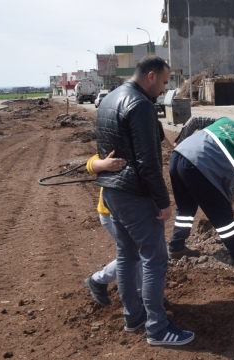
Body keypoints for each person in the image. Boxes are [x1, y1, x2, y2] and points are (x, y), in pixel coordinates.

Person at [95, 55, 194, 346]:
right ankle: (158, 328)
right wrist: (163, 201)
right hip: (135, 195)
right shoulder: (140, 105)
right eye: (163, 82)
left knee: (127, 255)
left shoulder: (110, 99)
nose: (164, 89)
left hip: (112, 193)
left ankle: (134, 316)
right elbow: (147, 161)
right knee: (154, 259)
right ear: (150, 76)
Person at [168, 116, 234, 265]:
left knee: (185, 208)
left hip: (178, 157)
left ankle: (176, 247)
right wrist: (230, 205)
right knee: (223, 216)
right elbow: (232, 182)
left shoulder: (225, 122)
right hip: (198, 167)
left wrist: (181, 141)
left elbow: (195, 120)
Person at [83, 150, 144, 307]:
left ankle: (141, 294)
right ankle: (98, 280)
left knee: (137, 253)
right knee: (134, 254)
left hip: (133, 213)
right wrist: (104, 164)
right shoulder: (116, 147)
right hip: (112, 214)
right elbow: (91, 165)